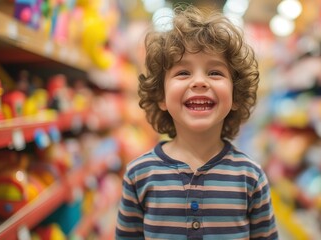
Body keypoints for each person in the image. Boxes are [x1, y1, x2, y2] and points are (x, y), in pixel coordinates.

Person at [115, 4, 279, 240]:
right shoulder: (139, 175)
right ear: (161, 96)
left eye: (215, 73)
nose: (199, 82)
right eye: (183, 73)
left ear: (235, 95)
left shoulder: (250, 177)